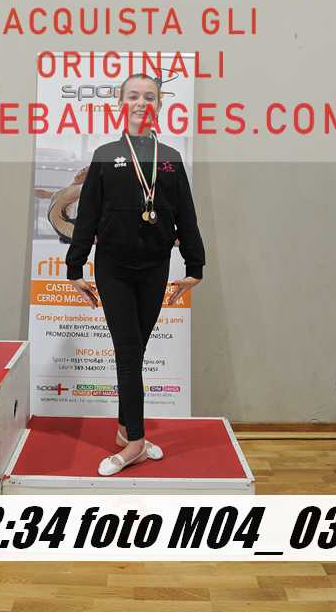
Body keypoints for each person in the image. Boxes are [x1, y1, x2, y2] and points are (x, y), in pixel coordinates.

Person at [65, 73, 206, 476]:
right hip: (114, 270)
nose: (141, 103)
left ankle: (125, 430)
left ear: (160, 104)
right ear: (120, 102)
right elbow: (87, 216)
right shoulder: (105, 154)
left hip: (154, 269)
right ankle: (137, 444)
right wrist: (75, 266)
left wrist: (194, 266)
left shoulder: (170, 158)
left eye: (149, 97)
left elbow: (186, 214)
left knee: (135, 352)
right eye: (133, 96)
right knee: (128, 353)